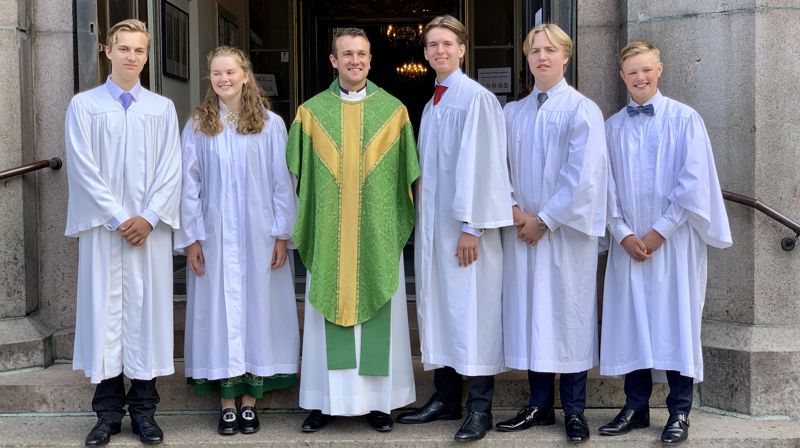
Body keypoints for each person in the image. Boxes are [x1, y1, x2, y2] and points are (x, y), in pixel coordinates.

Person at [286, 28, 420, 434]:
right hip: (329, 236)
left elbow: (408, 178)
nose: (355, 61)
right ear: (333, 60)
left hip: (377, 237)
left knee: (380, 316)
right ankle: (325, 402)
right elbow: (295, 177)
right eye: (347, 54)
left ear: (370, 59)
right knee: (328, 313)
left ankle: (379, 404)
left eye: (361, 54)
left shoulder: (394, 112)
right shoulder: (310, 114)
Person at [598, 40, 732, 445]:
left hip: (672, 243)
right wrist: (621, 232)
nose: (639, 77)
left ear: (660, 70)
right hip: (628, 244)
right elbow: (604, 187)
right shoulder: (611, 127)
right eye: (631, 72)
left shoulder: (685, 120)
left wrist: (659, 232)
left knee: (678, 320)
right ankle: (636, 407)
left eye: (646, 69)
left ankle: (679, 411)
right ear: (622, 77)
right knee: (632, 322)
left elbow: (693, 183)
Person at [64, 19, 181, 446]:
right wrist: (117, 218)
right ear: (107, 50)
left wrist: (149, 216)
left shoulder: (161, 108)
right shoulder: (84, 106)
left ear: (146, 57)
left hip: (148, 234)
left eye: (140, 51)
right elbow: (82, 167)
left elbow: (172, 168)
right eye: (124, 48)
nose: (132, 56)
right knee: (104, 317)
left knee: (146, 316)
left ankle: (145, 413)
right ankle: (107, 415)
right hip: (105, 232)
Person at [397, 15, 513, 442]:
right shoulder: (433, 104)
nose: (439, 51)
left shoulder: (476, 99)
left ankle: (479, 407)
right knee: (443, 309)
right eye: (432, 45)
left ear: (463, 49)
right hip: (435, 229)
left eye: (447, 43)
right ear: (425, 52)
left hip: (465, 231)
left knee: (472, 311)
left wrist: (472, 226)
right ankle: (445, 397)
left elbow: (484, 167)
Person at [175, 46, 299, 437]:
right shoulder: (198, 125)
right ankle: (226, 403)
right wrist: (192, 237)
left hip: (259, 236)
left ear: (246, 74)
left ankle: (251, 401)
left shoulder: (270, 124)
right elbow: (188, 185)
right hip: (214, 236)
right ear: (209, 79)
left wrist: (282, 232)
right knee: (219, 311)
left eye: (230, 72)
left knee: (257, 310)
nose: (224, 79)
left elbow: (283, 183)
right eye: (216, 73)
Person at [495, 24, 607, 444]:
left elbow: (584, 176)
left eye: (551, 50)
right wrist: (513, 210)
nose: (542, 57)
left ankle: (575, 411)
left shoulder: (582, 110)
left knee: (568, 316)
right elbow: (498, 168)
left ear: (566, 56)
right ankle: (539, 405)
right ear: (527, 58)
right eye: (535, 50)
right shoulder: (512, 114)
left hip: (564, 236)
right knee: (533, 315)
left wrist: (545, 219)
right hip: (522, 230)